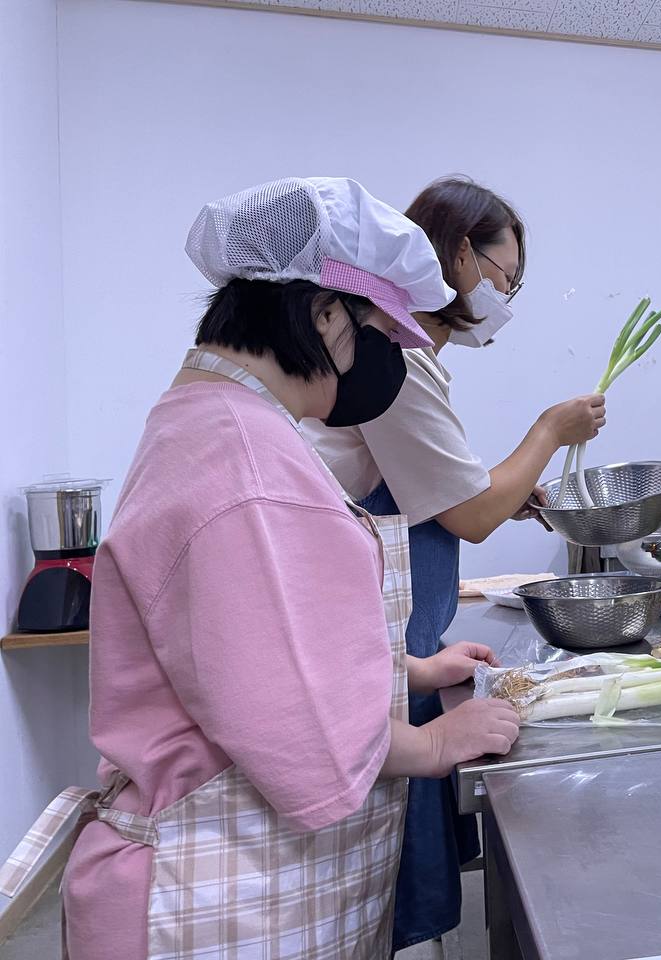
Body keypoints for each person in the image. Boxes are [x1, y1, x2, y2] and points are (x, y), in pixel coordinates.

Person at [31, 178, 520, 958]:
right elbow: (310, 741)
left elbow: (245, 654)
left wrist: (406, 669)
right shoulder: (252, 463)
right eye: (382, 338)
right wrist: (435, 745)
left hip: (214, 885)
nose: (387, 366)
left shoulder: (201, 422)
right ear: (324, 313)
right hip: (212, 903)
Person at [303, 177, 602, 952]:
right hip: (376, 652)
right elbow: (468, 512)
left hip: (403, 651)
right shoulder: (388, 358)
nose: (507, 297)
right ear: (462, 252)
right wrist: (550, 428)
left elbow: (451, 494)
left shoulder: (408, 358)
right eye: (507, 278)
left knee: (398, 884)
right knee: (384, 893)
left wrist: (511, 488)